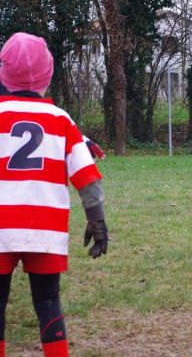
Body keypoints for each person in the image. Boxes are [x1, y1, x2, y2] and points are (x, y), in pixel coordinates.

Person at [0, 32, 108, 357]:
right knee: (48, 301)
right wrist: (98, 222)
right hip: (44, 229)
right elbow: (87, 179)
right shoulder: (61, 120)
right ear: (48, 77)